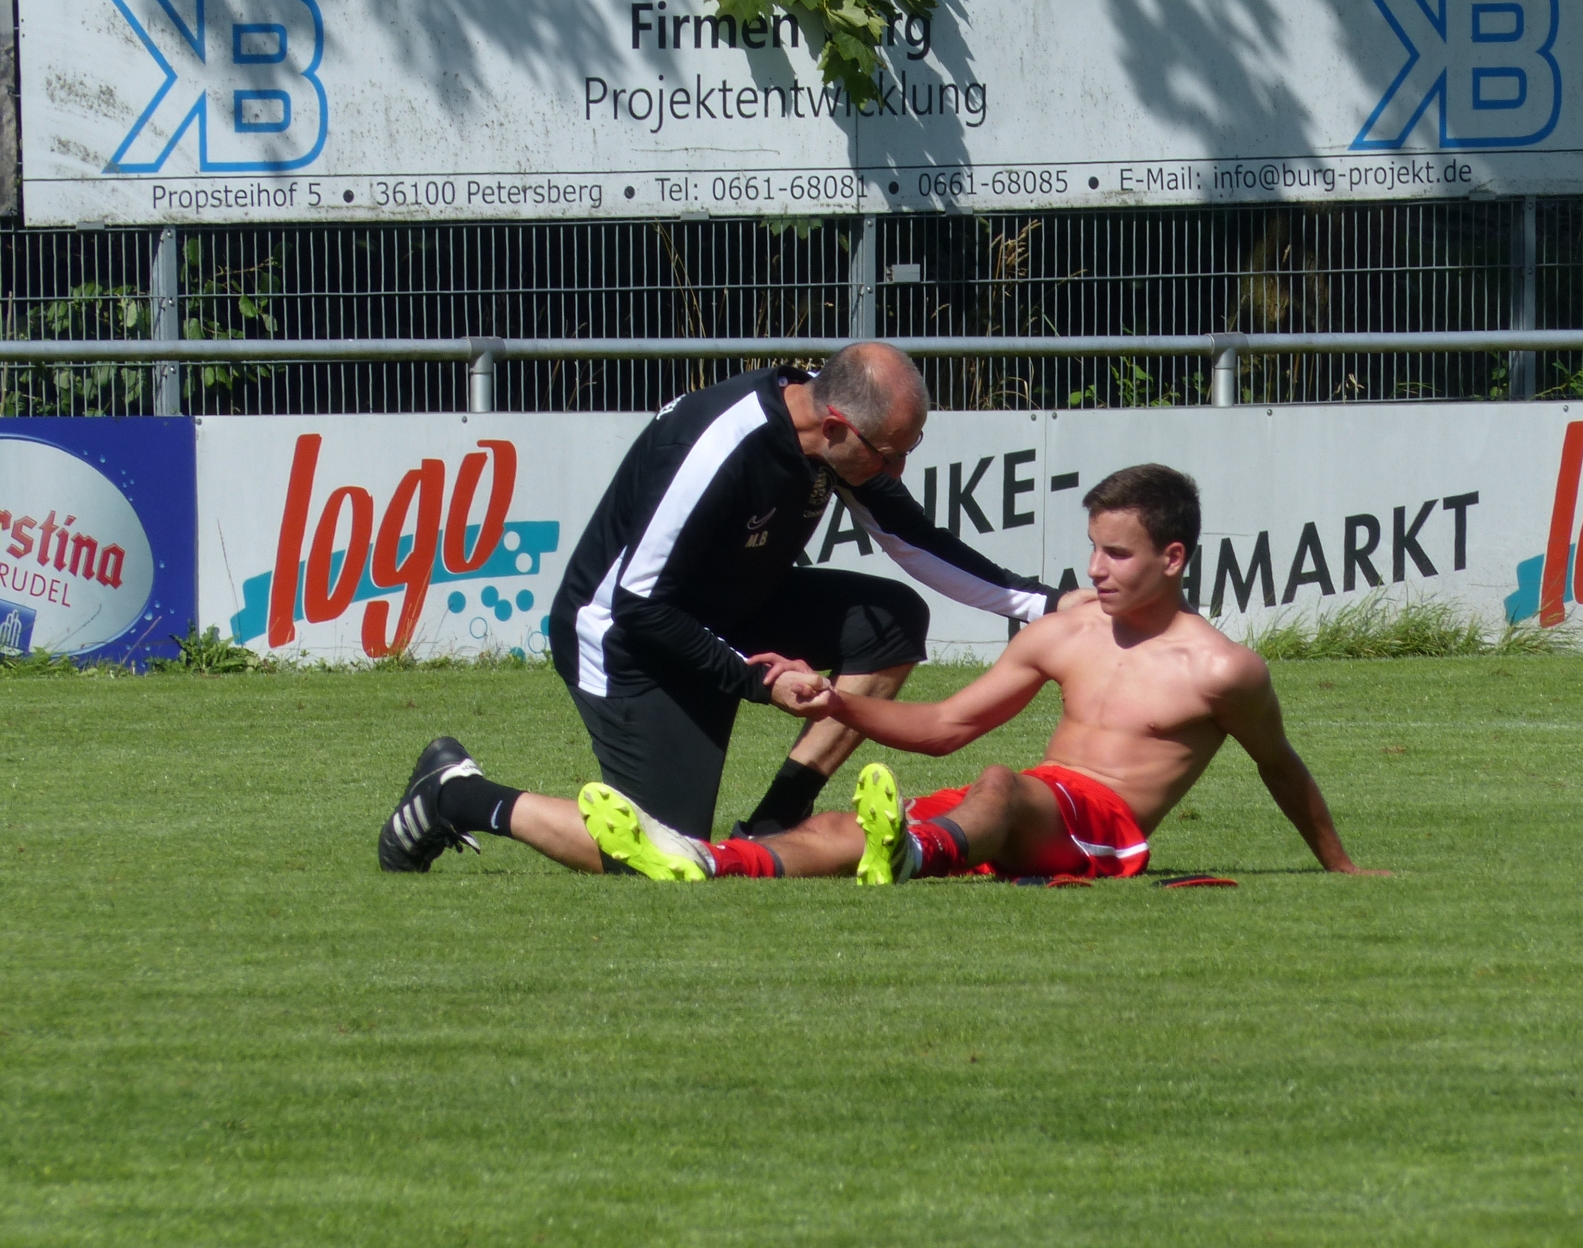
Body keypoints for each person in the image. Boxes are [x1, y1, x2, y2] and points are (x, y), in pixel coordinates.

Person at [377, 341, 1078, 875]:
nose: (896, 471)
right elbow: (640, 603)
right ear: (836, 426)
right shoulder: (719, 446)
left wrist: (1048, 604)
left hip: (726, 611)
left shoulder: (835, 441)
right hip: (625, 638)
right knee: (664, 851)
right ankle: (455, 796)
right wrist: (757, 676)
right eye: (889, 455)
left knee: (892, 620)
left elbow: (913, 540)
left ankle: (775, 822)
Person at [577, 463, 1386, 883]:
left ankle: (912, 855)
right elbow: (943, 728)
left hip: (1101, 833)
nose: (1095, 568)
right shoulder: (1068, 633)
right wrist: (837, 704)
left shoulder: (1223, 668)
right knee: (831, 829)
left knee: (1001, 782)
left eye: (1119, 552)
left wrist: (1340, 866)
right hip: (1022, 815)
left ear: (1173, 558)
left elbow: (1279, 765)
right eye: (1093, 547)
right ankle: (708, 862)